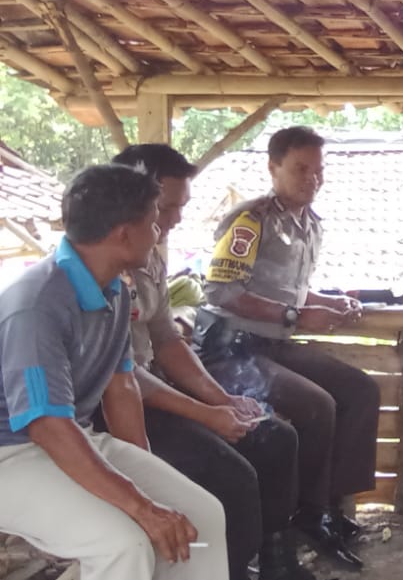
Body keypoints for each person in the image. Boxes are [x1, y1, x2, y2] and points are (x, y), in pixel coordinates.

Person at [0, 164, 227, 580]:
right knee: (123, 544)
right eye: (153, 223)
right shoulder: (36, 305)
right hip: (11, 455)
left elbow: (121, 387)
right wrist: (140, 506)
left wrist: (145, 485)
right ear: (124, 235)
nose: (158, 234)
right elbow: (47, 425)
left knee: (201, 516)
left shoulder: (115, 290)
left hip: (73, 437)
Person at [111, 145, 312, 580]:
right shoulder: (105, 270)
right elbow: (122, 378)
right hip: (115, 410)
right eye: (166, 207)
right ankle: (231, 570)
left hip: (155, 390)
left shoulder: (150, 256)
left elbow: (168, 341)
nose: (175, 219)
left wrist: (222, 400)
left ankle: (276, 563)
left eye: (181, 206)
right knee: (231, 478)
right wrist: (207, 414)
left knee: (274, 438)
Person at [196, 126, 375, 570]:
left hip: (274, 344)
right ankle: (304, 516)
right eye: (300, 169)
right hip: (233, 351)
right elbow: (221, 291)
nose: (312, 179)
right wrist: (296, 316)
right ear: (273, 168)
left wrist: (327, 302)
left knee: (360, 390)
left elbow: (290, 290)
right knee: (316, 406)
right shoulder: (250, 220)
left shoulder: (310, 224)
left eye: (318, 170)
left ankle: (328, 508)